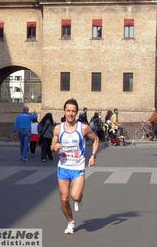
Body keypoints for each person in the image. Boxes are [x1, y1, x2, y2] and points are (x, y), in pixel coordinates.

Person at [51, 98, 99, 234]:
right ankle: (70, 222)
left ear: (77, 113)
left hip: (78, 168)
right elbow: (51, 146)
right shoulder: (58, 128)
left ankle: (79, 200)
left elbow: (96, 139)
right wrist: (55, 146)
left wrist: (93, 156)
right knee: (64, 198)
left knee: (75, 196)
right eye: (68, 111)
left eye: (73, 111)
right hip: (63, 168)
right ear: (64, 112)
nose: (71, 113)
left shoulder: (83, 128)